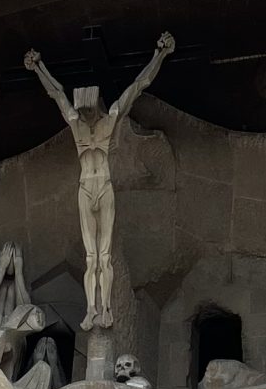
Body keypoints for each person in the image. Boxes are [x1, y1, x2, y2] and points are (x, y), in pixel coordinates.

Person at [24, 35, 175, 327]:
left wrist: (159, 55)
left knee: (104, 256)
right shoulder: (75, 123)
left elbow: (138, 86)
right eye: (84, 113)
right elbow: (56, 93)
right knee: (91, 256)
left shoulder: (110, 120)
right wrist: (38, 67)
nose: (86, 116)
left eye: (89, 112)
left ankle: (105, 308)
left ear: (96, 108)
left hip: (104, 187)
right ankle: (91, 310)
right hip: (85, 188)